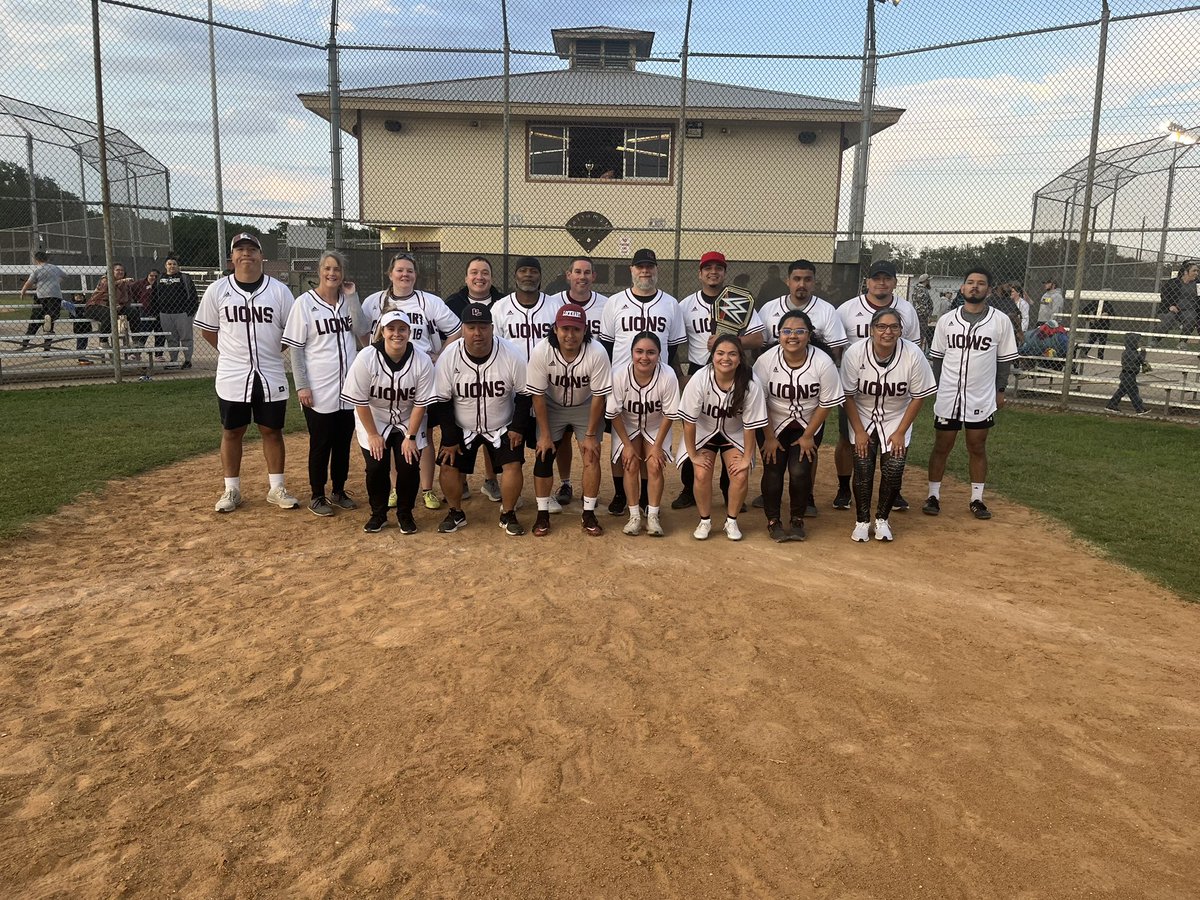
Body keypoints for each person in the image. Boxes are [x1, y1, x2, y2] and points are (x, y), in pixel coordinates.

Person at [195, 232, 299, 513]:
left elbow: (291, 331)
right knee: (232, 431)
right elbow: (208, 330)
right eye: (240, 250)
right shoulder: (218, 290)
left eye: (252, 249)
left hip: (270, 372)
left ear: (261, 256)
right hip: (232, 374)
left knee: (272, 430)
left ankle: (276, 488)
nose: (246, 254)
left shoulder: (278, 290)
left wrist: (269, 353)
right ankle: (232, 490)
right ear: (232, 257)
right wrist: (231, 353)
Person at [361, 252, 461, 511]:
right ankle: (395, 489)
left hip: (419, 373)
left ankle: (426, 489)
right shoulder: (375, 301)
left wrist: (439, 356)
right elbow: (362, 332)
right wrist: (372, 353)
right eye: (400, 270)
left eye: (410, 271)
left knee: (421, 433)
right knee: (392, 431)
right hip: (385, 373)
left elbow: (455, 329)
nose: (405, 275)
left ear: (416, 275)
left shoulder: (429, 302)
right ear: (390, 273)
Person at [922, 267, 1018, 521]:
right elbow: (938, 358)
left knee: (977, 446)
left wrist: (1000, 390)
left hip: (981, 395)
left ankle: (977, 499)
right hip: (949, 395)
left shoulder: (1000, 321)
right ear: (962, 288)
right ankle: (933, 495)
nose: (975, 287)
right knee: (942, 445)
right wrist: (941, 387)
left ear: (988, 289)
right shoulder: (947, 320)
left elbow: (1004, 360)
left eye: (981, 283)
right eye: (970, 283)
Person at [754, 258, 849, 517]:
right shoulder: (770, 309)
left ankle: (806, 495)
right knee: (774, 460)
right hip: (777, 382)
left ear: (814, 282)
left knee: (805, 454)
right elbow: (761, 343)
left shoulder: (826, 310)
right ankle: (770, 493)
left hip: (811, 384)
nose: (802, 284)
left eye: (807, 279)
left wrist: (818, 369)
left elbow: (837, 347)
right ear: (788, 281)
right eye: (797, 279)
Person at [675, 251, 766, 511]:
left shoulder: (738, 300)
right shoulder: (686, 305)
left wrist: (731, 343)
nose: (712, 272)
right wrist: (682, 374)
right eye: (707, 268)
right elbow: (677, 340)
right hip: (697, 371)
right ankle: (689, 488)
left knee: (731, 427)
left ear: (724, 273)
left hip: (732, 369)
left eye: (718, 268)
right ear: (700, 273)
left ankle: (730, 491)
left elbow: (758, 339)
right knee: (696, 428)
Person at [432, 303, 531, 536]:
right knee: (448, 464)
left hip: (501, 425)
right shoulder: (449, 356)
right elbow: (442, 400)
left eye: (483, 327)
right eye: (471, 327)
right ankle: (455, 512)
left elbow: (525, 395)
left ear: (492, 328)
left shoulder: (512, 353)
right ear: (463, 329)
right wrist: (449, 437)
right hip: (462, 425)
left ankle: (508, 513)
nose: (478, 333)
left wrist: (517, 427)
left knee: (513, 464)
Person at [600, 248, 686, 514]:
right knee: (620, 443)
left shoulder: (670, 303)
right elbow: (606, 344)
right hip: (620, 383)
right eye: (640, 266)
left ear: (656, 270)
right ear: (632, 270)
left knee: (651, 443)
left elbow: (672, 347)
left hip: (656, 382)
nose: (645, 271)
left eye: (650, 266)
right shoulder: (614, 302)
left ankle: (648, 500)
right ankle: (619, 494)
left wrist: (663, 374)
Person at [282, 249, 368, 517]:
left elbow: (362, 330)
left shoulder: (347, 301)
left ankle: (339, 490)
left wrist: (352, 297)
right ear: (319, 271)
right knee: (321, 442)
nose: (332, 273)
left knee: (343, 442)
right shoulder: (304, 303)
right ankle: (317, 494)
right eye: (327, 268)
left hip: (347, 386)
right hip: (318, 386)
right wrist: (302, 386)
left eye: (337, 269)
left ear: (343, 274)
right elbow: (296, 349)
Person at [833, 260, 921, 512]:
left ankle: (894, 490)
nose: (881, 282)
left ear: (895, 282)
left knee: (895, 442)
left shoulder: (906, 309)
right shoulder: (848, 309)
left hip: (894, 385)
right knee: (847, 439)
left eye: (887, 278)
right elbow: (838, 345)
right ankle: (843, 488)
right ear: (867, 281)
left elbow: (912, 346)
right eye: (876, 278)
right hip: (856, 385)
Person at [841, 307, 936, 542]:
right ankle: (862, 521)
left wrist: (901, 431)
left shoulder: (913, 353)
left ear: (901, 330)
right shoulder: (855, 352)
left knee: (894, 469)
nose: (888, 332)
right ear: (872, 329)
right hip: (862, 415)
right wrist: (860, 431)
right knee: (863, 467)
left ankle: (882, 519)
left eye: (894, 327)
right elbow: (848, 395)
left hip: (896, 416)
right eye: (882, 326)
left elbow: (919, 395)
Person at [753, 309, 844, 542]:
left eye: (800, 331)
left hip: (808, 423)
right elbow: (759, 402)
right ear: (779, 334)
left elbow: (826, 403)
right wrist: (769, 437)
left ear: (809, 334)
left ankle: (797, 519)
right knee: (773, 469)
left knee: (800, 470)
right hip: (771, 423)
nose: (792, 336)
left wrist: (808, 435)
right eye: (787, 331)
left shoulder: (822, 362)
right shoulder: (765, 361)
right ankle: (773, 520)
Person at [341, 310, 435, 532]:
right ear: (382, 332)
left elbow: (421, 403)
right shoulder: (366, 358)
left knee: (409, 466)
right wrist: (373, 435)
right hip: (374, 418)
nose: (397, 334)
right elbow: (360, 401)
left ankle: (405, 513)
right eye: (391, 329)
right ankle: (378, 513)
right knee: (376, 467)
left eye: (402, 329)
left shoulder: (421, 360)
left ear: (409, 332)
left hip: (408, 417)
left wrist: (411, 437)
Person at [526, 303, 612, 537]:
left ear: (585, 330)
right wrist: (544, 435)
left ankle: (588, 512)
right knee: (544, 454)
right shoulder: (542, 350)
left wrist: (592, 435)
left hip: (585, 405)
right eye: (565, 328)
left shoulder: (596, 351)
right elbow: (538, 395)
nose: (570, 335)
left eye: (576, 329)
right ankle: (542, 513)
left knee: (591, 454)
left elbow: (599, 396)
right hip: (551, 405)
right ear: (555, 329)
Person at [678, 334, 769, 541]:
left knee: (740, 474)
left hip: (734, 432)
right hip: (703, 430)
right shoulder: (700, 379)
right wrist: (693, 455)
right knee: (701, 473)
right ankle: (705, 521)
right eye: (720, 353)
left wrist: (747, 457)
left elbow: (750, 426)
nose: (725, 358)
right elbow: (689, 421)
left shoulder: (750, 384)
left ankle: (732, 520)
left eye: (732, 354)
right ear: (712, 356)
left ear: (740, 358)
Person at [549, 255, 610, 508]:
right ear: (568, 275)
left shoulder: (606, 304)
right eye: (577, 272)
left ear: (594, 276)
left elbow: (608, 341)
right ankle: (565, 482)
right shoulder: (552, 304)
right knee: (561, 438)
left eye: (587, 272)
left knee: (589, 443)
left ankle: (589, 499)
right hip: (557, 381)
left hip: (591, 378)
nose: (582, 277)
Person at [607, 332, 681, 537]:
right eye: (639, 351)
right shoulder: (619, 374)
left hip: (657, 425)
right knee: (629, 462)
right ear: (631, 353)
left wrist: (657, 447)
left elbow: (669, 414)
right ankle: (634, 516)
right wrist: (627, 446)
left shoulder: (668, 375)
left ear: (659, 354)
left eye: (651, 352)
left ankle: (653, 516)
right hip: (627, 425)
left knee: (654, 465)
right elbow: (613, 413)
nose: (644, 357)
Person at [443, 255, 504, 502]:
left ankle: (491, 480)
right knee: (464, 422)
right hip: (462, 371)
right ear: (466, 277)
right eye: (474, 272)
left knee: (491, 422)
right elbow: (446, 335)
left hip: (494, 368)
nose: (480, 277)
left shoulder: (502, 302)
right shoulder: (453, 303)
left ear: (491, 277)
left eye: (485, 273)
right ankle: (463, 480)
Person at [154, 256, 199, 368]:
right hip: (165, 313)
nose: (172, 266)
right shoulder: (160, 278)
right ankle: (173, 360)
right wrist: (156, 311)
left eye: (174, 264)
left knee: (186, 337)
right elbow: (154, 295)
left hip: (182, 313)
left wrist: (190, 311)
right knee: (171, 339)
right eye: (169, 264)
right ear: (165, 266)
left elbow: (193, 295)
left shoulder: (184, 277)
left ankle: (187, 360)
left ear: (178, 266)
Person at [19, 249, 66, 351]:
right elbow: (64, 275)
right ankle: (47, 349)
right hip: (55, 295)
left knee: (34, 323)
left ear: (36, 260)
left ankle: (24, 344)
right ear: (47, 259)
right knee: (50, 322)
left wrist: (23, 291)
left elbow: (29, 282)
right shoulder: (54, 268)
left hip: (41, 296)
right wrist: (56, 282)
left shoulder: (37, 270)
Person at [86, 263, 139, 353]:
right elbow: (109, 286)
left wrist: (120, 305)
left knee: (133, 312)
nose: (120, 272)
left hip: (114, 308)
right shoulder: (105, 279)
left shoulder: (124, 284)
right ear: (111, 272)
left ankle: (136, 340)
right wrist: (123, 281)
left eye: (122, 270)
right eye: (117, 270)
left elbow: (127, 299)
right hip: (96, 306)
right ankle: (103, 341)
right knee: (108, 313)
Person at [1155, 260, 1198, 348]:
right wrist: (1170, 306)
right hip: (1174, 309)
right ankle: (1155, 340)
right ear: (1186, 272)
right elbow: (1164, 295)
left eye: (1197, 271)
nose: (1197, 273)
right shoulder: (1173, 282)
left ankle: (1182, 342)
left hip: (1189, 310)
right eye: (1194, 271)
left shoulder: (1198, 284)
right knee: (1168, 318)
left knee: (1191, 318)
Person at [1105, 333, 1150, 416]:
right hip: (1128, 375)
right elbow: (1139, 360)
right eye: (1138, 342)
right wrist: (1143, 354)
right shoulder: (1130, 353)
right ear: (1133, 342)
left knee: (1121, 391)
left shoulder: (1132, 352)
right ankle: (1139, 409)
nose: (1140, 343)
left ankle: (1111, 405)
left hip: (1128, 375)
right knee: (1133, 392)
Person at [911, 273, 934, 351]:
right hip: (921, 316)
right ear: (926, 281)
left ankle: (918, 350)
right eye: (928, 280)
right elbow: (922, 305)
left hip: (919, 315)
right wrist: (927, 315)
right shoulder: (921, 290)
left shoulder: (917, 289)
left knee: (920, 334)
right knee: (921, 335)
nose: (929, 282)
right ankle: (918, 351)